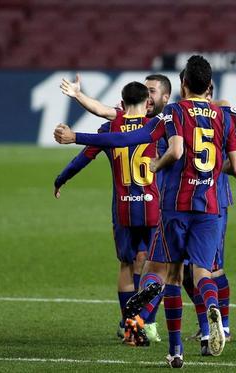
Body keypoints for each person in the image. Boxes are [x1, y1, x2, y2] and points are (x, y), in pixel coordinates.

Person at [56, 55, 236, 367]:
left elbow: (132, 137)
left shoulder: (172, 113)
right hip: (210, 208)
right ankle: (212, 313)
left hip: (173, 206)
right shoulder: (222, 116)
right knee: (201, 272)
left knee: (160, 273)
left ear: (182, 85)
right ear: (209, 85)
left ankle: (170, 345)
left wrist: (76, 136)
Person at [54, 81, 159, 346]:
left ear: (122, 104)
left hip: (123, 207)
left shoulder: (110, 127)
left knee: (126, 264)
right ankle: (144, 323)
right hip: (152, 208)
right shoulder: (158, 126)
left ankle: (129, 328)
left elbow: (84, 157)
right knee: (150, 265)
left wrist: (61, 179)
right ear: (148, 101)